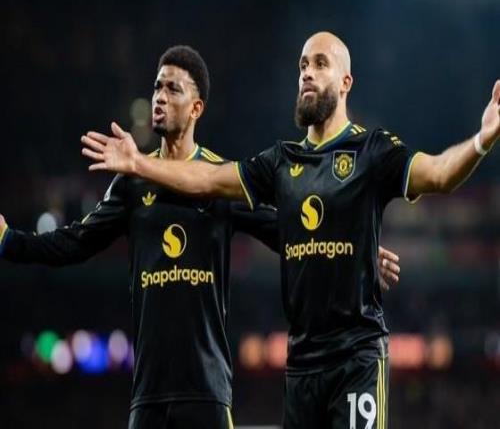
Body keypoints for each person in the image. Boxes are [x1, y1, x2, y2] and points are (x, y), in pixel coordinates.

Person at [81, 31, 500, 428]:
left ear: (346, 82)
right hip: (300, 365)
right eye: (302, 65)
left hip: (356, 356)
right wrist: (139, 164)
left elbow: (439, 173)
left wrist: (481, 140)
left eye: (320, 64)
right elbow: (207, 179)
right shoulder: (281, 161)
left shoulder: (372, 150)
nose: (307, 73)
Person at [0, 44, 401, 428]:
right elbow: (75, 242)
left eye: (173, 88)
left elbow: (291, 233)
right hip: (148, 394)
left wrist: (359, 251)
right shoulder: (131, 183)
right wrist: (9, 240)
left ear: (196, 108)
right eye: (157, 86)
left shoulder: (219, 183)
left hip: (207, 392)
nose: (159, 96)